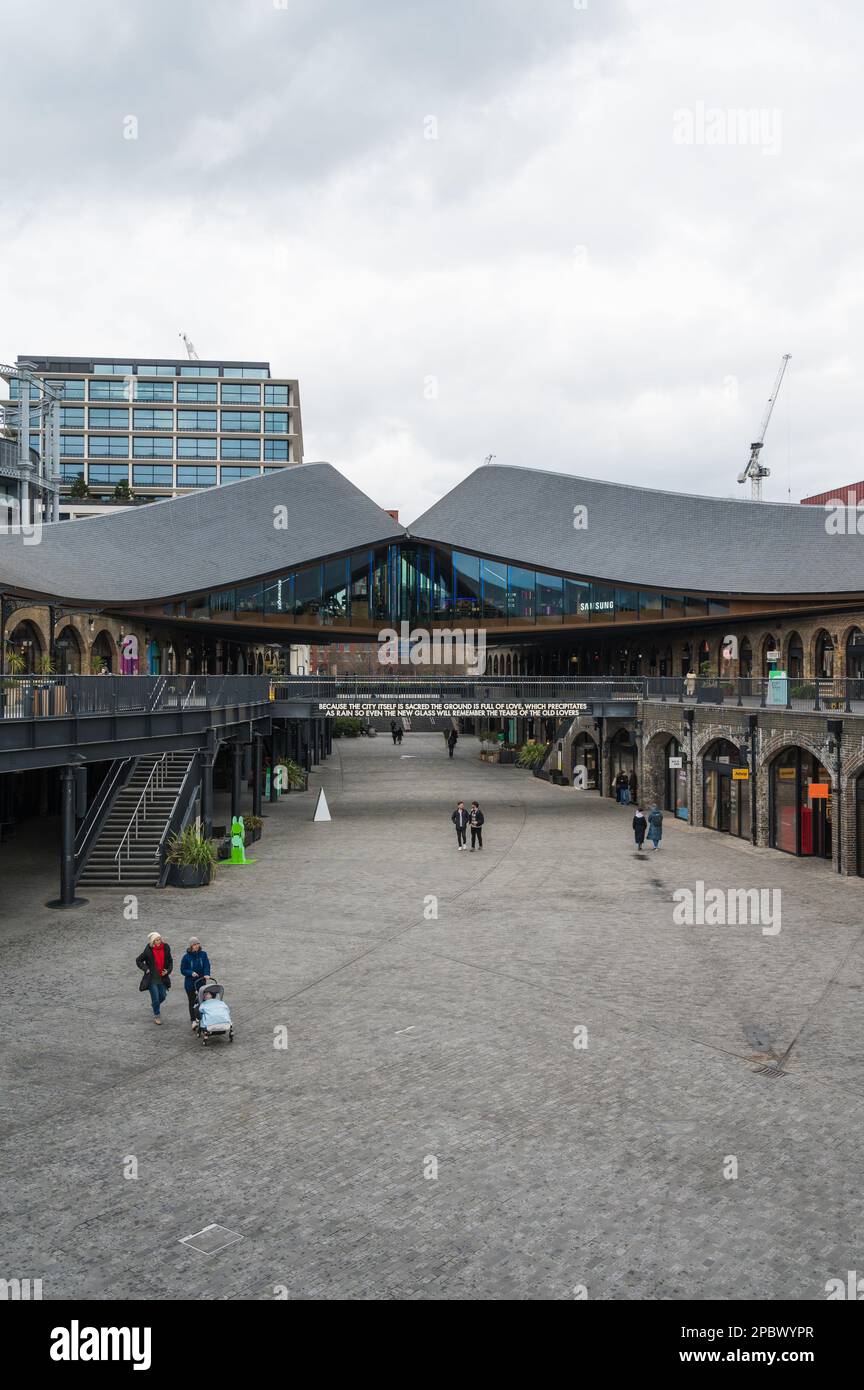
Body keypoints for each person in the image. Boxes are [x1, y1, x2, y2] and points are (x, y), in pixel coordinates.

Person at [136, 931, 173, 1024]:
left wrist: (167, 971)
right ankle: (157, 1015)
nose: (159, 941)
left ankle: (154, 1005)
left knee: (163, 996)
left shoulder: (166, 948)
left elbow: (170, 962)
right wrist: (146, 969)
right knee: (155, 998)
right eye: (156, 940)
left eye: (159, 939)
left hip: (162, 978)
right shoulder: (148, 950)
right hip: (152, 979)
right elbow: (138, 960)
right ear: (153, 942)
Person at [180, 936, 212, 1027]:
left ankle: (201, 1017)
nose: (196, 946)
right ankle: (193, 1020)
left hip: (201, 982)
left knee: (203, 1000)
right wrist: (191, 972)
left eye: (197, 944)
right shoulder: (186, 957)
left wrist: (206, 974)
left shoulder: (203, 954)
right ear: (191, 946)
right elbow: (183, 970)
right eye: (194, 944)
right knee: (192, 1001)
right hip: (190, 983)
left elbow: (207, 965)